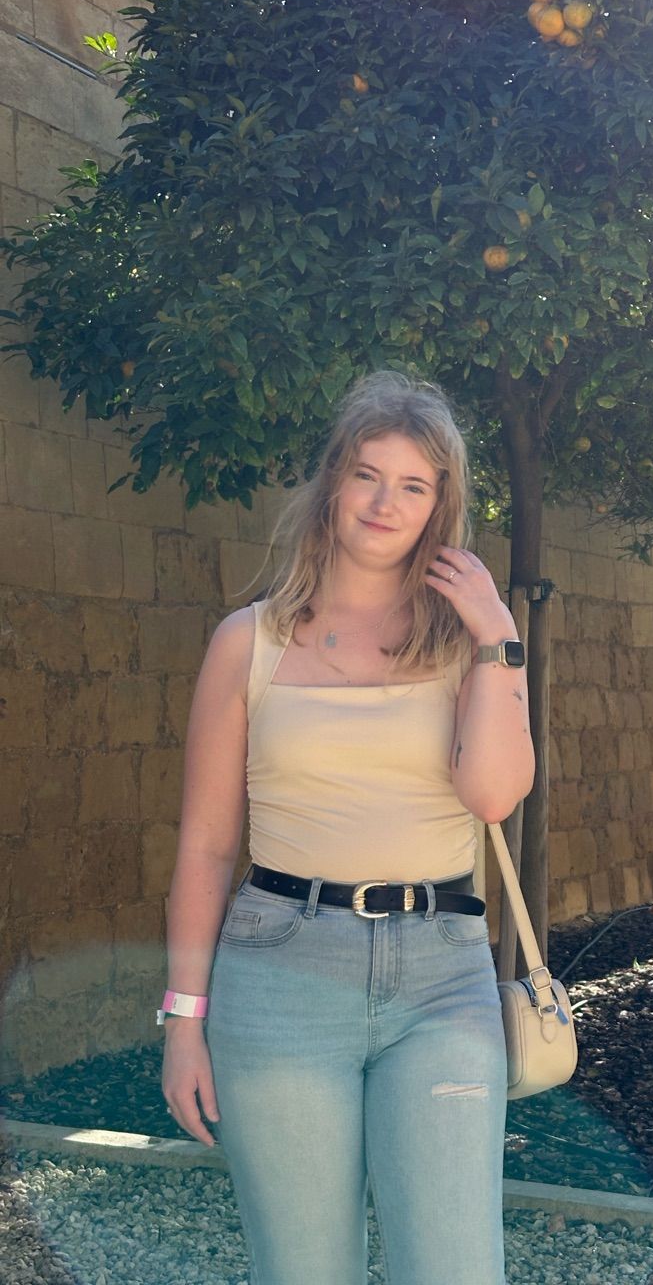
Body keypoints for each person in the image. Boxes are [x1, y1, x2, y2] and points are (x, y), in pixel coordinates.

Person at [160, 369, 534, 1285]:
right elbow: (206, 847)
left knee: (455, 1270)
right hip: (281, 973)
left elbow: (494, 796)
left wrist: (497, 636)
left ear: (440, 506)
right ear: (333, 481)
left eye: (413, 485)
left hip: (442, 977)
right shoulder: (247, 642)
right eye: (368, 474)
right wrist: (183, 1021)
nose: (384, 503)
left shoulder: (466, 641)